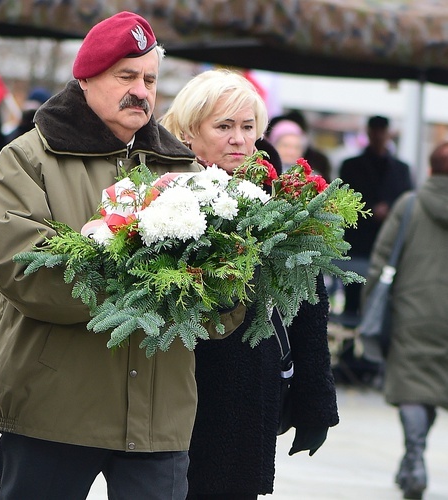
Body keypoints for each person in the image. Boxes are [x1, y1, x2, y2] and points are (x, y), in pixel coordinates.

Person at [0, 12, 245, 499]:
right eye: (126, 76)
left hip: (158, 418)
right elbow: (20, 268)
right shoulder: (27, 159)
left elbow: (221, 290)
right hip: (54, 410)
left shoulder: (186, 170)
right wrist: (148, 289)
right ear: (86, 79)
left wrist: (225, 287)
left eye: (149, 79)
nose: (141, 91)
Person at [160, 68, 339, 499]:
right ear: (188, 132)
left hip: (247, 387)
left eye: (247, 127)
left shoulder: (279, 198)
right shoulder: (157, 194)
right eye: (223, 127)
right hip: (169, 385)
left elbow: (308, 303)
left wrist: (315, 400)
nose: (239, 139)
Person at [363, 142, 448, 500]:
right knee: (432, 388)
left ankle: (414, 459)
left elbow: (381, 261)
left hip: (411, 311)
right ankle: (411, 459)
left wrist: (370, 304)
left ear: (430, 168)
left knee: (414, 388)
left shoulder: (409, 204)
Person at [338, 115, 412, 320]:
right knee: (352, 299)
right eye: (375, 132)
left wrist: (388, 210)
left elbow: (406, 200)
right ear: (369, 133)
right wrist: (372, 209)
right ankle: (349, 349)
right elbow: (343, 200)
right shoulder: (352, 166)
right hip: (358, 241)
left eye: (382, 132)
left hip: (387, 242)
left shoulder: (401, 169)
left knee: (382, 300)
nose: (379, 136)